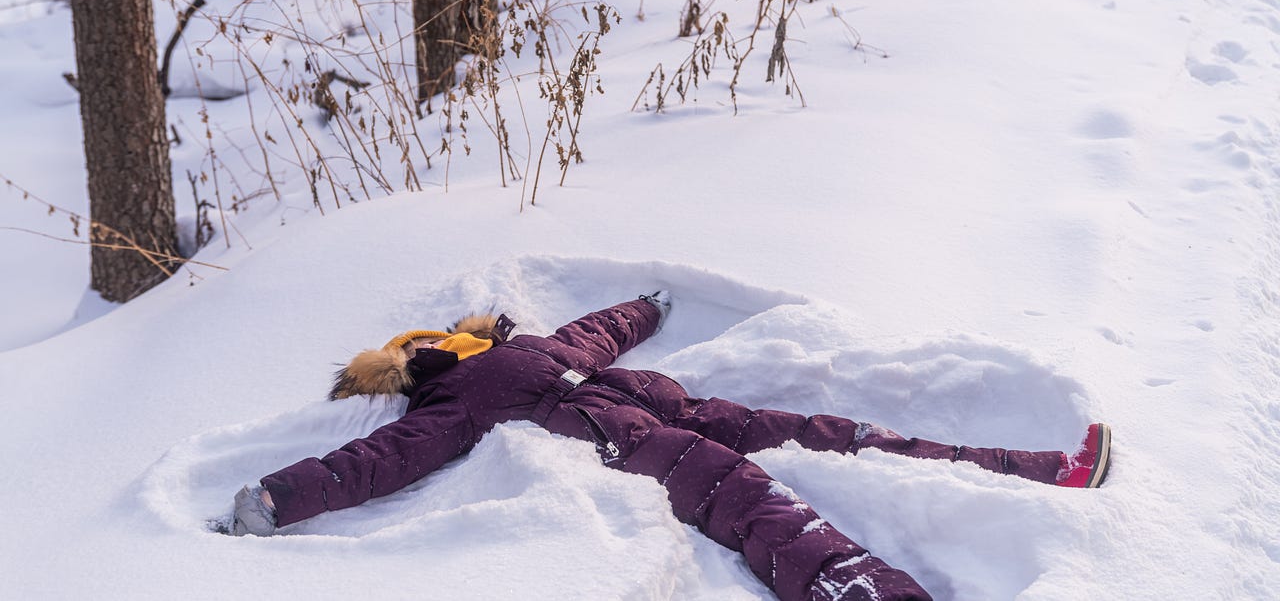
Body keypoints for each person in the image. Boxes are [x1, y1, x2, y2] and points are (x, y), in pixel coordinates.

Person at [229, 293, 1111, 601]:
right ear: (408, 364)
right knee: (759, 503)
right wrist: (278, 497)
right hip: (635, 448)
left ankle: (1037, 470)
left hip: (680, 406)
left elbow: (600, 331)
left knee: (831, 434)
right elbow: (370, 464)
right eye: (417, 347)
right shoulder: (449, 401)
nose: (434, 343)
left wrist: (648, 306)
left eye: (437, 335)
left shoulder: (526, 345)